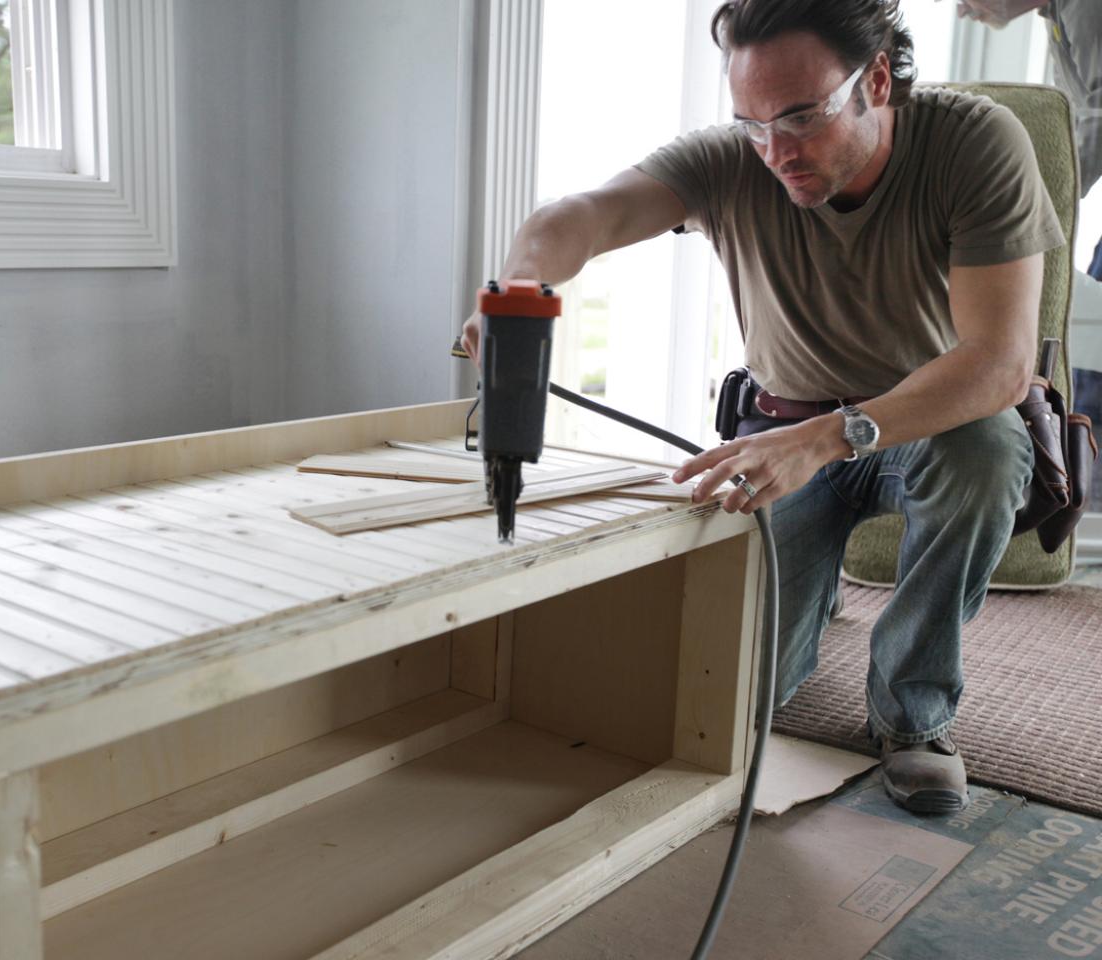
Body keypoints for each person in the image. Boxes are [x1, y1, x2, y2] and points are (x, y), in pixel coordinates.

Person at [460, 0, 1065, 813]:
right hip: (779, 432)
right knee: (726, 702)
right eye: (750, 121)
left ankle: (913, 716)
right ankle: (810, 606)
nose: (775, 151)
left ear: (877, 78)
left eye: (801, 117)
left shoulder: (972, 142)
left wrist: (831, 438)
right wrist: (523, 286)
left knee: (984, 457)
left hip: (931, 429)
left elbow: (999, 365)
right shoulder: (736, 158)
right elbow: (584, 214)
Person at [952, 0, 1102, 277]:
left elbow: (1100, 114)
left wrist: (1043, 192)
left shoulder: (1084, 7)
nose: (962, 10)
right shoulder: (1056, 14)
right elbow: (1074, 115)